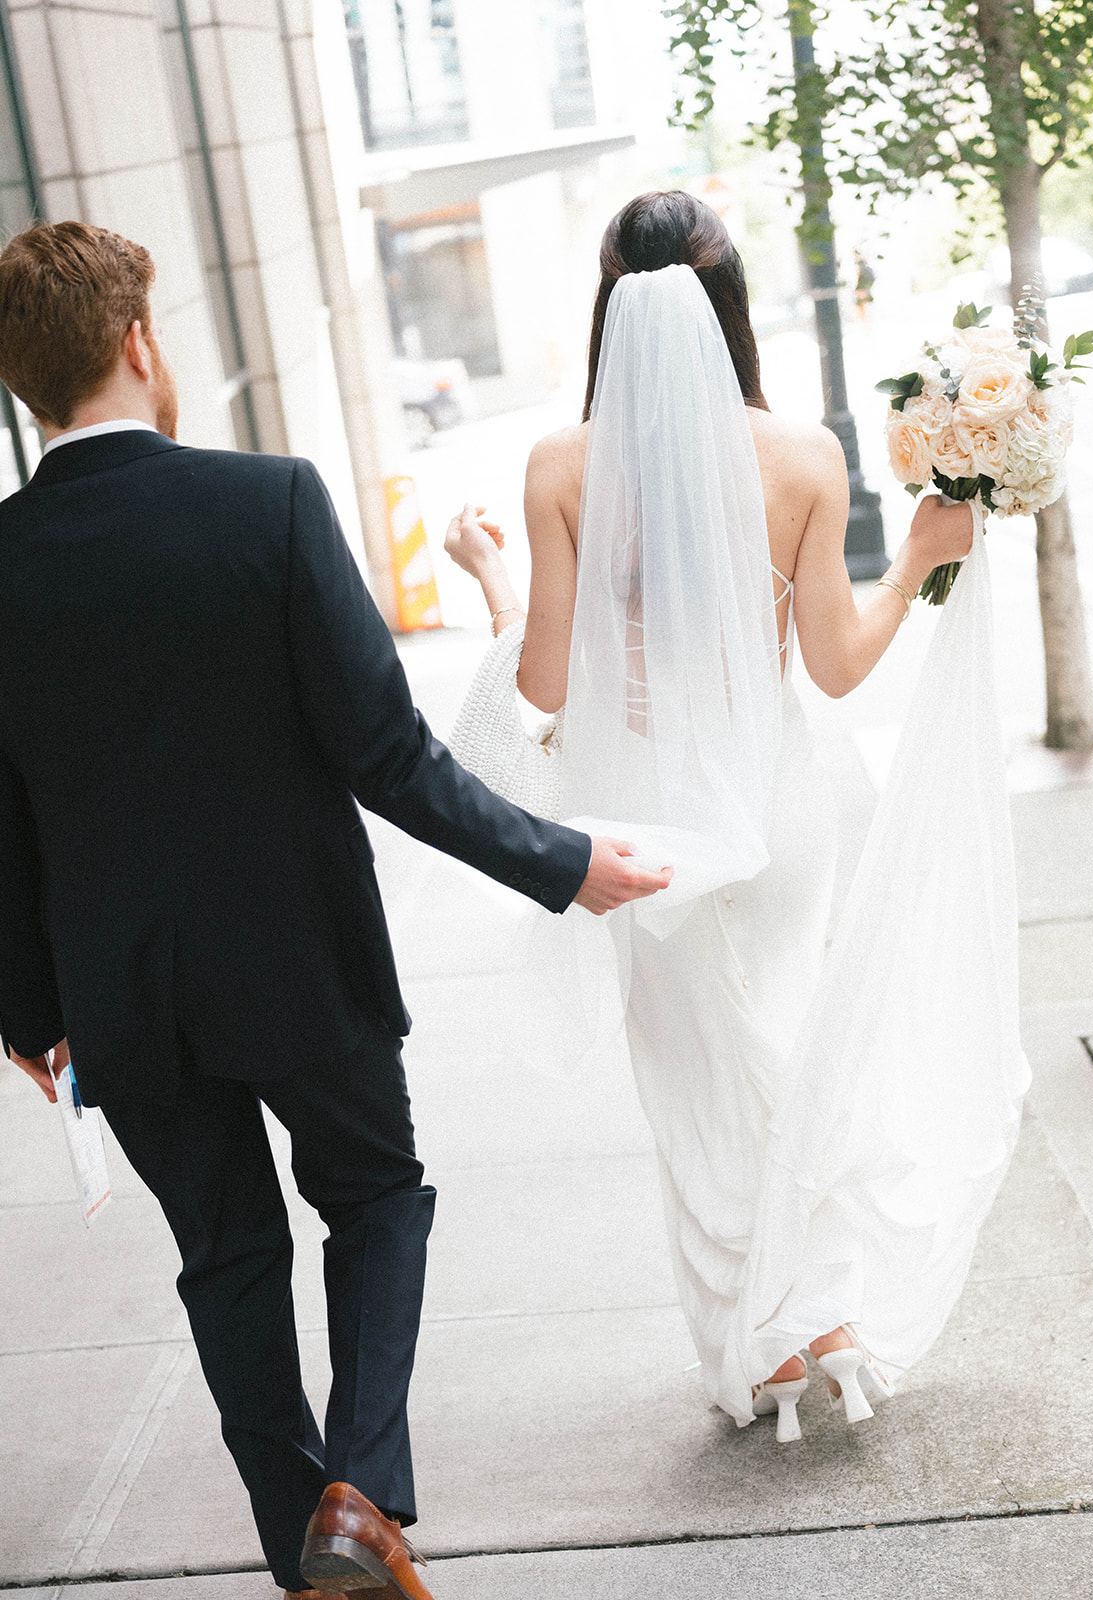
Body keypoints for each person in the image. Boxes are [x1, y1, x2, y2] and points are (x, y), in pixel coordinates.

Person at [0, 221, 670, 1600]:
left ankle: (310, 1558)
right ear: (139, 343)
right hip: (300, 959)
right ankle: (361, 1499)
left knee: (227, 1263)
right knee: (375, 1198)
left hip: (125, 992)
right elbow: (390, 758)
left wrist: (28, 1010)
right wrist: (561, 860)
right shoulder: (272, 504)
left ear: (26, 388)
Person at [444, 190, 1028, 1444]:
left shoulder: (560, 465)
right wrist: (921, 555)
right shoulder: (803, 458)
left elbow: (542, 685)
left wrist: (490, 573)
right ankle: (822, 1313)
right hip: (775, 810)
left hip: (639, 832)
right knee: (784, 1044)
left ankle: (764, 1348)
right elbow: (835, 665)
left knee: (702, 1085)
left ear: (610, 308)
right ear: (733, 306)